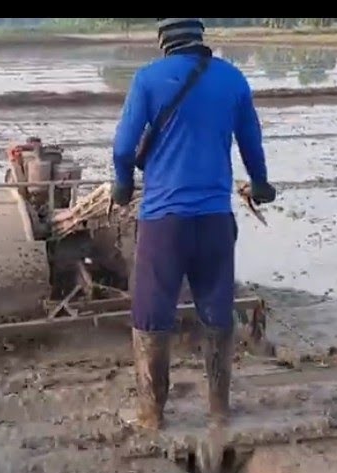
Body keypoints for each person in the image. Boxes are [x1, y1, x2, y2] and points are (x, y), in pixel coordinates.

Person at [110, 17, 275, 433]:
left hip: (164, 222)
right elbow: (251, 142)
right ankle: (219, 411)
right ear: (201, 38)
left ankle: (152, 415)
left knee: (152, 315)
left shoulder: (149, 79)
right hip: (215, 220)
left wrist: (124, 185)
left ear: (163, 40)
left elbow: (123, 147)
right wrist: (259, 184)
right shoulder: (233, 79)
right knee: (217, 311)